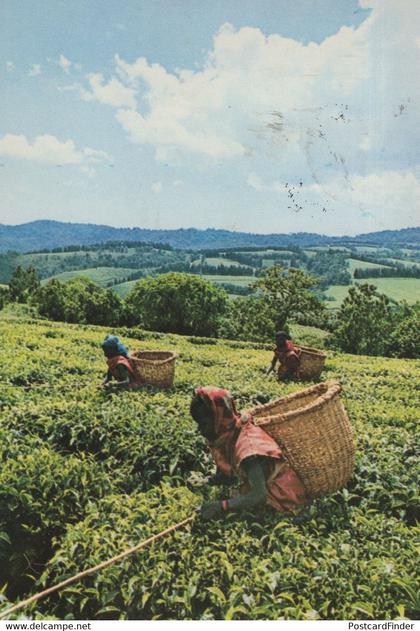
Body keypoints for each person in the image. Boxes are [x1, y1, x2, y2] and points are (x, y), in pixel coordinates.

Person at [190, 386, 308, 521]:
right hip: (263, 487)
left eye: (204, 424)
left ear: (219, 419)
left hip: (283, 496)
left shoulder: (249, 449)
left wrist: (221, 506)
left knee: (240, 516)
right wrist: (208, 481)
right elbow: (229, 476)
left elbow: (258, 495)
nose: (200, 430)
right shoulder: (230, 432)